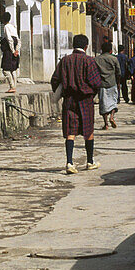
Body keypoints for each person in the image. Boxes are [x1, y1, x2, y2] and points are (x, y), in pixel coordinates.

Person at [50, 33, 102, 174]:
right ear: (86, 46)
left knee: (70, 132)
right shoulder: (89, 61)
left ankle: (69, 163)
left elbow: (55, 80)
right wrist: (92, 94)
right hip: (85, 100)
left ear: (73, 45)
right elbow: (96, 82)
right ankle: (90, 161)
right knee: (88, 131)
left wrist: (62, 92)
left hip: (69, 100)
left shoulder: (65, 61)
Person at [94, 40, 120, 129]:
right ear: (110, 50)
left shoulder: (97, 59)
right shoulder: (114, 59)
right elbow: (118, 72)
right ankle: (112, 117)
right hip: (112, 83)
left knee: (103, 104)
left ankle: (106, 124)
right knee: (113, 102)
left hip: (101, 85)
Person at [0, 12, 20, 93]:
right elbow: (18, 40)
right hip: (15, 49)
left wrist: (12, 50)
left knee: (6, 70)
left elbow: (9, 39)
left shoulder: (6, 27)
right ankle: (14, 87)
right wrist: (16, 50)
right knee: (13, 69)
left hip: (9, 50)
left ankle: (12, 86)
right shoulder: (13, 27)